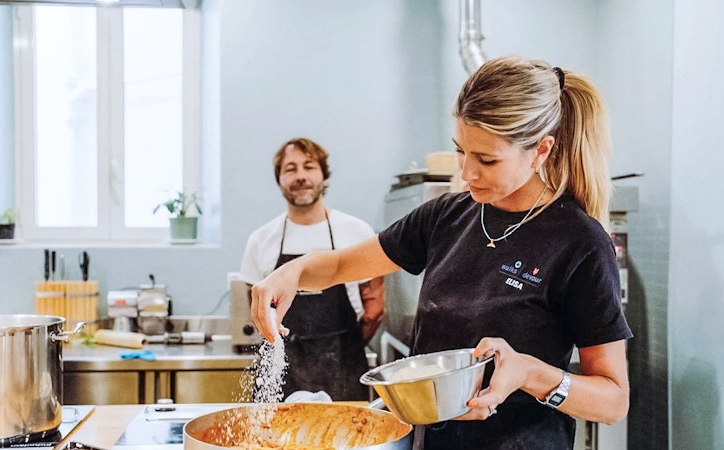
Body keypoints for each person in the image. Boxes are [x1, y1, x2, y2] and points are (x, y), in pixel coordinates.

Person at [251, 56, 632, 448]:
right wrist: (291, 273)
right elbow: (339, 265)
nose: (467, 172)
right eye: (461, 151)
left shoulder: (580, 243)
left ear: (541, 151)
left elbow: (613, 401)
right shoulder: (447, 216)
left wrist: (531, 374)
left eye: (487, 159)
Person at [239, 137, 385, 401]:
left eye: (309, 166)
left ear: (324, 176)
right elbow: (259, 311)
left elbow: (374, 311)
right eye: (290, 168)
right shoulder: (260, 240)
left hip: (343, 368)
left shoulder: (357, 232)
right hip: (280, 371)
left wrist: (344, 344)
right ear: (279, 180)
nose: (300, 176)